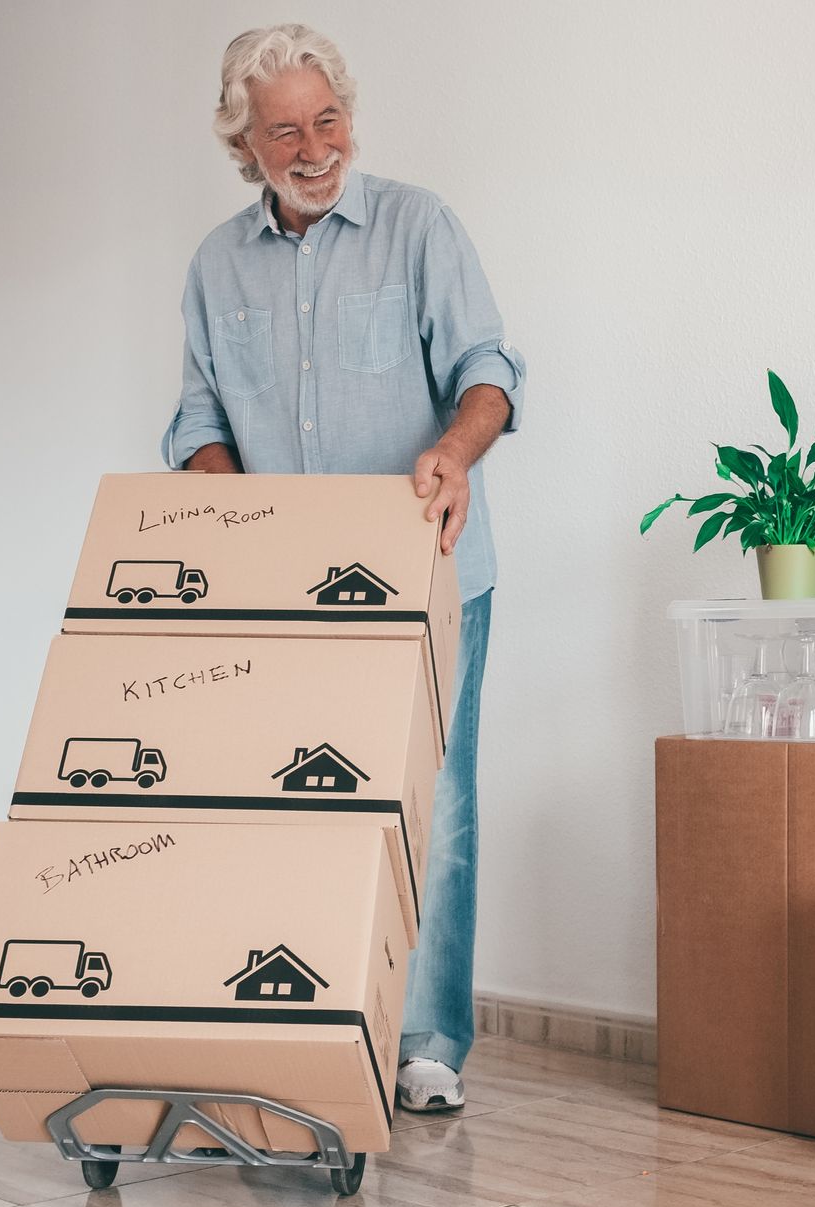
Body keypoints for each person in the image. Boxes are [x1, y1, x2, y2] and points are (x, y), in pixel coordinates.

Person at [162, 24, 526, 1113]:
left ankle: (428, 1044)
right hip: (289, 593)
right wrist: (241, 510)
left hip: (431, 568)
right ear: (246, 143)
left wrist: (455, 452)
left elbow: (489, 369)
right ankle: (306, 1023)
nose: (315, 147)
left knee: (436, 804)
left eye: (328, 120)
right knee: (298, 806)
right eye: (286, 130)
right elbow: (194, 419)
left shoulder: (420, 228)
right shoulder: (214, 266)